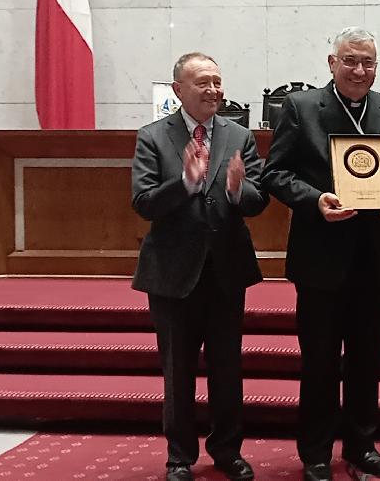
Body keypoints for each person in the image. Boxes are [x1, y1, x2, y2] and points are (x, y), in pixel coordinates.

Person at [260, 27, 380, 481]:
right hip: (320, 259)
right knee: (320, 361)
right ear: (331, 63)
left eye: (368, 62)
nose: (359, 70)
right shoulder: (302, 107)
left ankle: (362, 445)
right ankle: (315, 452)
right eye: (350, 60)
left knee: (368, 359)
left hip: (375, 257)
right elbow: (275, 173)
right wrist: (315, 200)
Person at [131, 52, 268, 481]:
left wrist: (236, 189)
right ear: (179, 90)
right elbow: (143, 202)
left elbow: (259, 199)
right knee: (178, 371)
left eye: (217, 82)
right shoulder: (152, 137)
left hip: (226, 270)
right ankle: (179, 458)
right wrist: (186, 183)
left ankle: (227, 449)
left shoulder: (239, 135)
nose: (213, 91)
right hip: (173, 273)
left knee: (228, 369)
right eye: (202, 83)